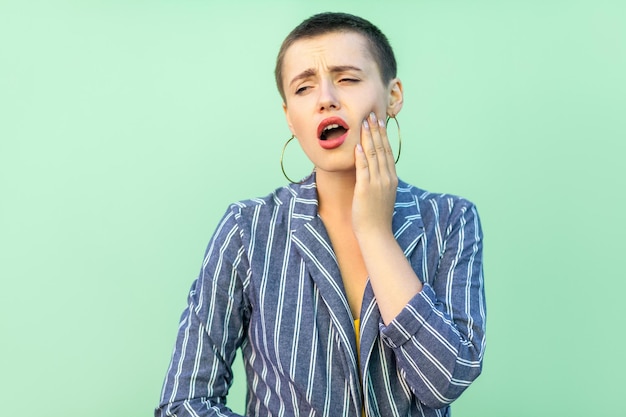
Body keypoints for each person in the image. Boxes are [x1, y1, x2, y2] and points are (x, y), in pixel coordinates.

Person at [155, 12, 485, 417]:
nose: (326, 97)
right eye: (304, 87)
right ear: (290, 118)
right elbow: (183, 403)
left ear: (393, 95)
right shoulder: (247, 229)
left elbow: (445, 380)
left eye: (347, 78)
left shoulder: (450, 220)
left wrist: (376, 232)